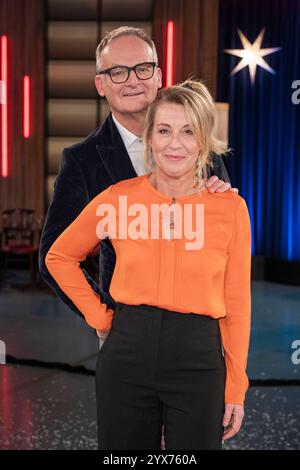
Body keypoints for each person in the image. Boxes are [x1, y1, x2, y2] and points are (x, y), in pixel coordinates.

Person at [44, 79, 251, 450]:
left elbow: (237, 303)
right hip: (127, 354)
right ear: (150, 140)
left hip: (199, 359)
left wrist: (236, 384)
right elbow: (59, 257)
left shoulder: (230, 208)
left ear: (204, 140)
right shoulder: (118, 198)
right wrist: (101, 317)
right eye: (165, 130)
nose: (175, 143)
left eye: (189, 131)